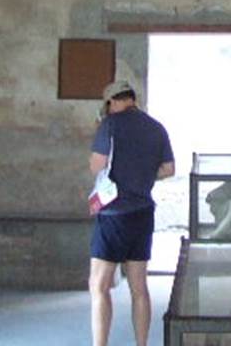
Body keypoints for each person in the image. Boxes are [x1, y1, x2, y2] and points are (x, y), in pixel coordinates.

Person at [89, 80, 175, 346]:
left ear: (112, 102)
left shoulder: (110, 125)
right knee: (139, 287)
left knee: (100, 286)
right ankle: (142, 344)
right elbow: (169, 168)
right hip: (142, 214)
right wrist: (142, 175)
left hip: (113, 215)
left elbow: (96, 166)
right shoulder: (156, 127)